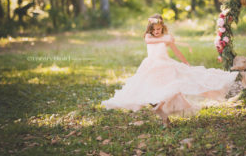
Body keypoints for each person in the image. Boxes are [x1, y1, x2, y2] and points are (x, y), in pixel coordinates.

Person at [101, 14, 238, 124]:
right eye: (154, 30)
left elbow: (176, 51)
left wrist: (186, 62)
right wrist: (165, 38)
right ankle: (162, 116)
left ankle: (165, 120)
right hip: (151, 67)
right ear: (150, 30)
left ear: (162, 28)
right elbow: (149, 41)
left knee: (168, 92)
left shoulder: (165, 38)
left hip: (166, 66)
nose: (156, 32)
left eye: (159, 30)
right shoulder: (149, 37)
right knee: (150, 92)